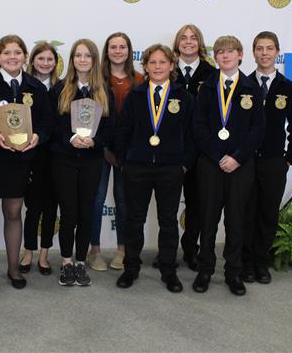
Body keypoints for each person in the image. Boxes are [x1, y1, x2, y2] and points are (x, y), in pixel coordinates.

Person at [0, 35, 53, 291]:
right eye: (7, 53)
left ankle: (13, 268)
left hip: (21, 160)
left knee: (14, 213)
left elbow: (47, 121)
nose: (12, 57)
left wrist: (38, 137)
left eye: (17, 52)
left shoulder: (35, 87)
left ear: (25, 56)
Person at [115, 44, 195, 293]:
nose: (158, 67)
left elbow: (192, 134)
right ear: (146, 67)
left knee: (168, 221)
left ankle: (169, 271)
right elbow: (123, 130)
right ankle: (131, 268)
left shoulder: (184, 97)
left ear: (172, 66)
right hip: (137, 167)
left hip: (170, 168)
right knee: (134, 220)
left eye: (162, 62)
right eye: (152, 62)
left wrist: (184, 164)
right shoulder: (136, 95)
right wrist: (124, 162)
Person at [192, 35, 264, 296]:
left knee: (236, 221)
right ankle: (205, 270)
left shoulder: (252, 88)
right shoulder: (207, 87)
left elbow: (258, 129)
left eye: (230, 51)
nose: (225, 56)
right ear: (215, 57)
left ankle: (233, 271)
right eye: (220, 52)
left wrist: (237, 157)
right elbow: (198, 126)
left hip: (240, 166)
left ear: (240, 55)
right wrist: (216, 155)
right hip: (211, 164)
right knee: (208, 219)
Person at [49, 39, 114, 287]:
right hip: (64, 160)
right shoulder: (60, 89)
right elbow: (52, 126)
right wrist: (70, 138)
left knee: (87, 212)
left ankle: (80, 262)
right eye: (78, 55)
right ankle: (66, 261)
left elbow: (111, 129)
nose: (83, 60)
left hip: (91, 161)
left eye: (87, 55)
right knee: (69, 213)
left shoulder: (104, 91)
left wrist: (95, 142)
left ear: (94, 60)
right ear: (72, 59)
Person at [242, 31, 292, 284]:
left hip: (273, 162)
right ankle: (246, 262)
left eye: (269, 48)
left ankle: (261, 261)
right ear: (253, 52)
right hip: (246, 161)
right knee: (247, 212)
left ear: (277, 52)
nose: (264, 53)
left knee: (268, 214)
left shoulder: (287, 87)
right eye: (260, 48)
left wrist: (289, 158)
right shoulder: (244, 84)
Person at [87, 32, 142, 272]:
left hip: (127, 152)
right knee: (96, 199)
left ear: (129, 51)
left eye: (122, 47)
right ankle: (95, 250)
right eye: (113, 47)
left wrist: (123, 151)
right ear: (106, 51)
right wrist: (105, 147)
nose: (118, 51)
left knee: (123, 200)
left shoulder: (139, 79)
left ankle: (122, 249)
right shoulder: (96, 79)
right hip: (99, 149)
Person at [172, 24, 216, 271]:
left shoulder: (212, 74)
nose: (188, 42)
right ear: (177, 43)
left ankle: (191, 249)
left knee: (196, 204)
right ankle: (167, 251)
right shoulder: (166, 69)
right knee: (167, 206)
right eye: (183, 38)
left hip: (200, 152)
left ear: (200, 43)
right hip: (170, 150)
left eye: (193, 38)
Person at [19, 42, 60, 275]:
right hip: (31, 154)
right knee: (33, 206)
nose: (45, 63)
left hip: (55, 155)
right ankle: (28, 252)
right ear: (32, 60)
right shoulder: (24, 86)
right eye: (41, 58)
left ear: (56, 63)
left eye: (50, 59)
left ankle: (44, 254)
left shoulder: (62, 87)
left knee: (51, 207)